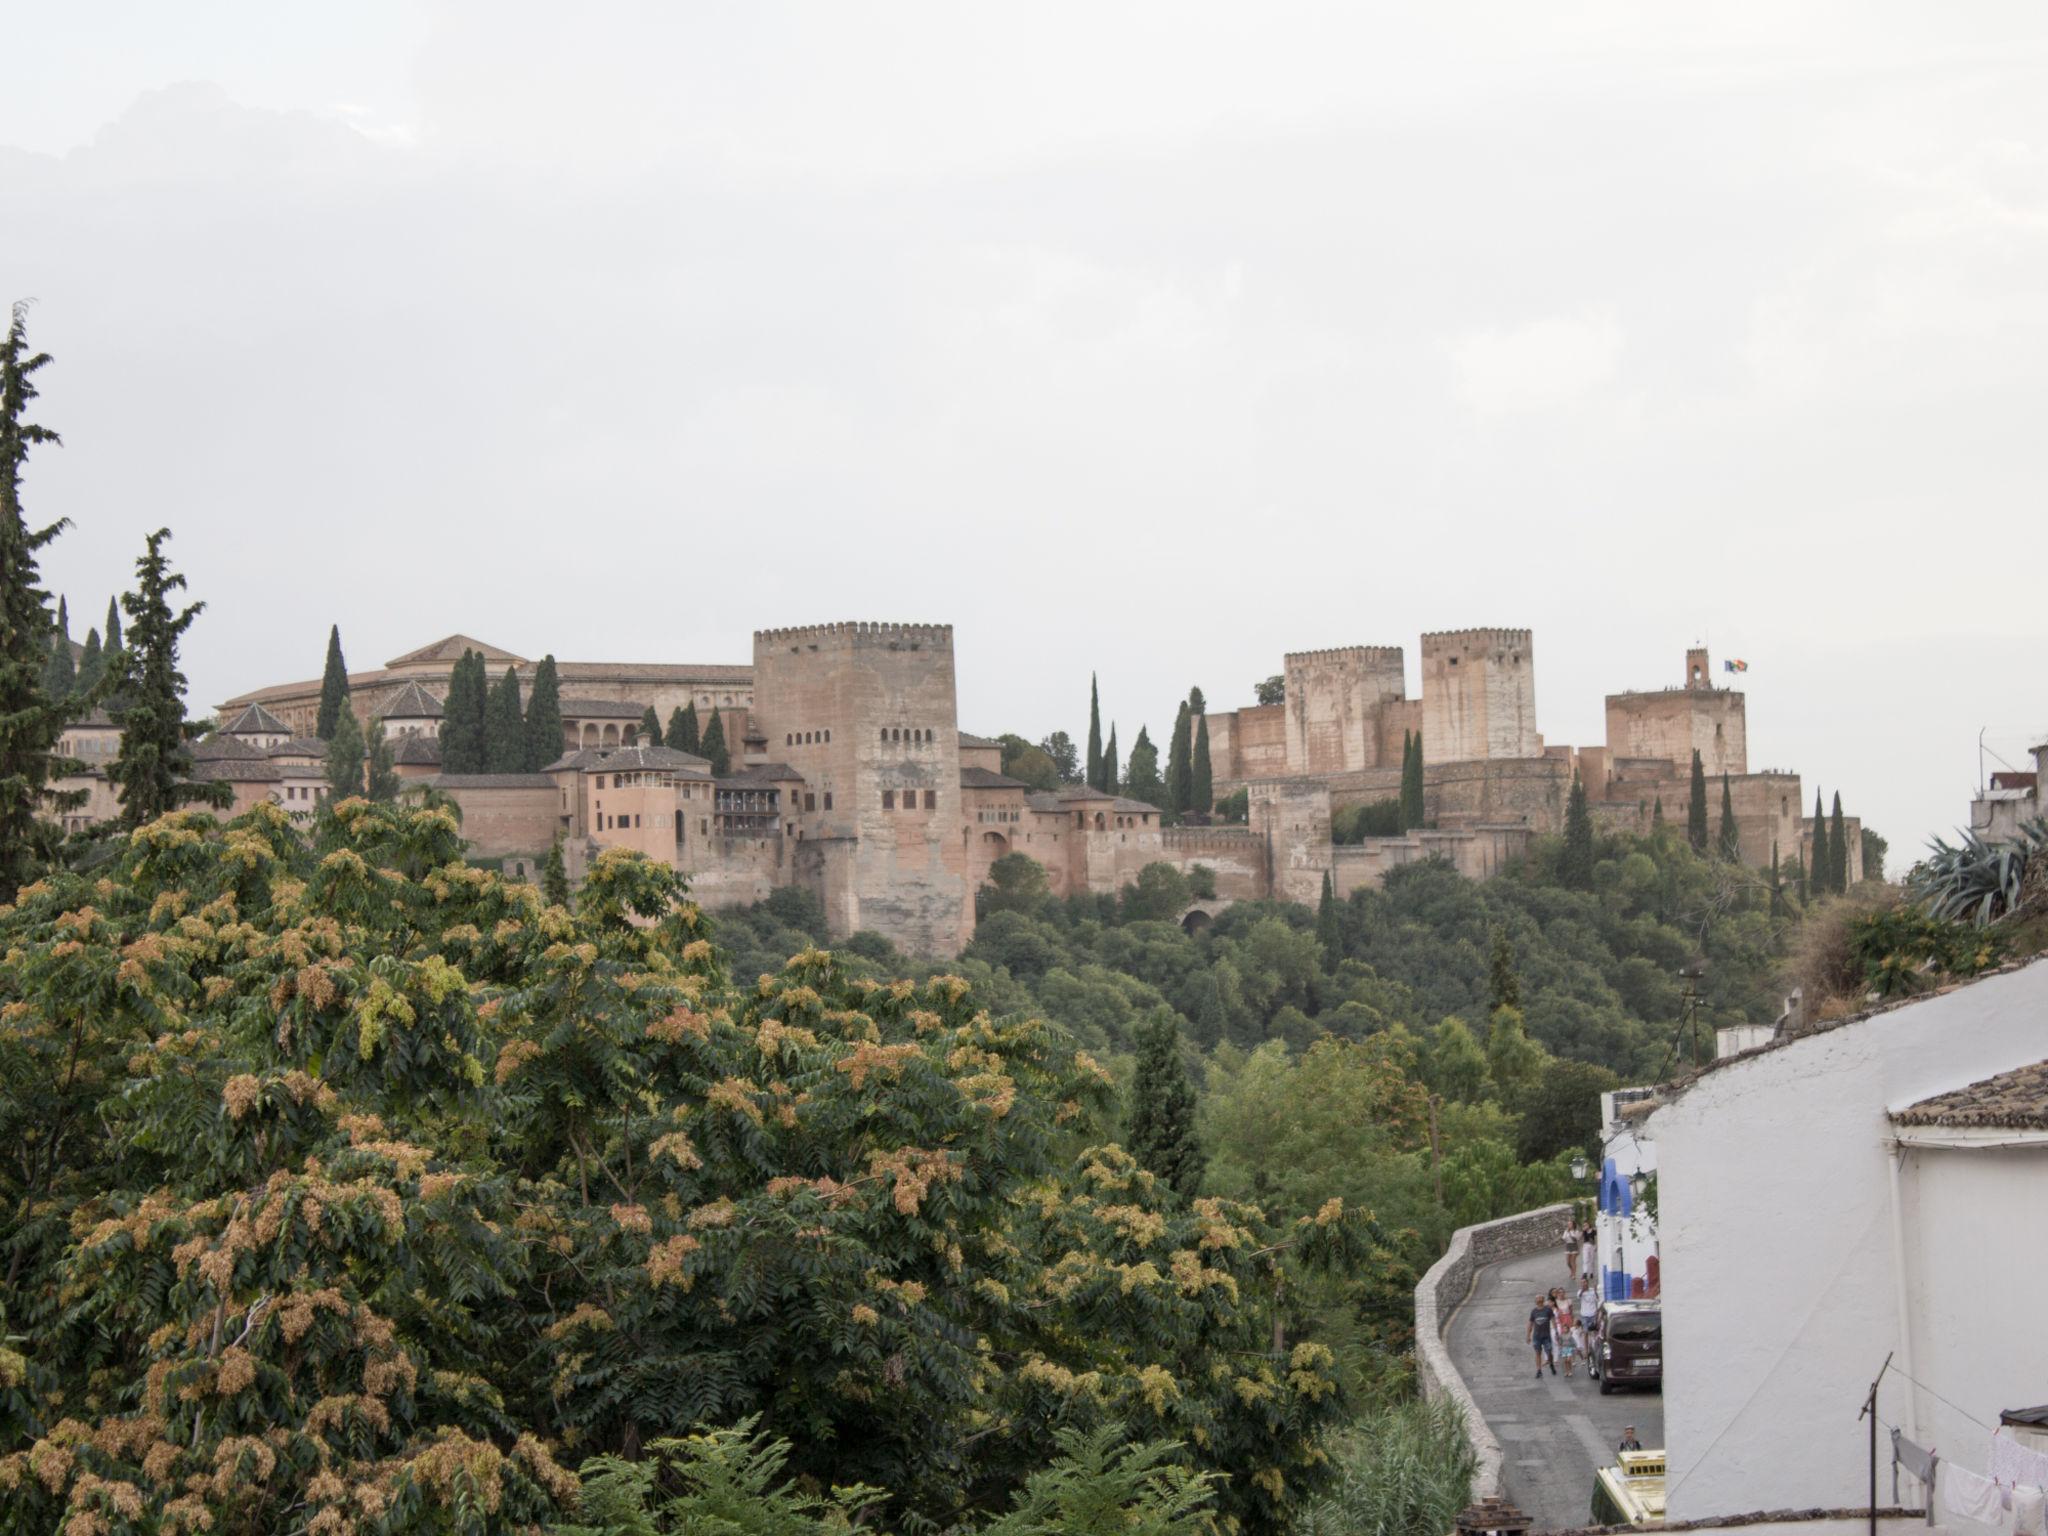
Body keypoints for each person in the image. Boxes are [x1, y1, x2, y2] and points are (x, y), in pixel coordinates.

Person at [1527, 1292, 1556, 1378]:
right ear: (1535, 1301)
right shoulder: (1534, 1312)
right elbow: (1530, 1323)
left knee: (1549, 1351)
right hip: (1537, 1336)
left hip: (1546, 1336)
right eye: (1537, 1298)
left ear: (1543, 1300)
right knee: (1537, 1353)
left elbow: (1553, 1319)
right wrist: (1528, 1335)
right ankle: (1539, 1370)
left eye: (1540, 1298)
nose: (1539, 1299)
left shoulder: (1548, 1310)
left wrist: (1556, 1331)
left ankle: (1551, 1363)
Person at [1563, 1214, 1582, 1280]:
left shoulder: (1576, 1231)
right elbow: (1564, 1238)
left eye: (1570, 1224)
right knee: (1568, 1262)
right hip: (1568, 1246)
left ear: (1573, 1225)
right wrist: (1567, 1232)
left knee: (1572, 1261)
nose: (1569, 1225)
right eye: (1568, 1224)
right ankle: (1571, 1271)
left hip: (1574, 1246)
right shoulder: (1566, 1231)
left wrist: (1571, 1233)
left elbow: (1576, 1239)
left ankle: (1574, 1274)